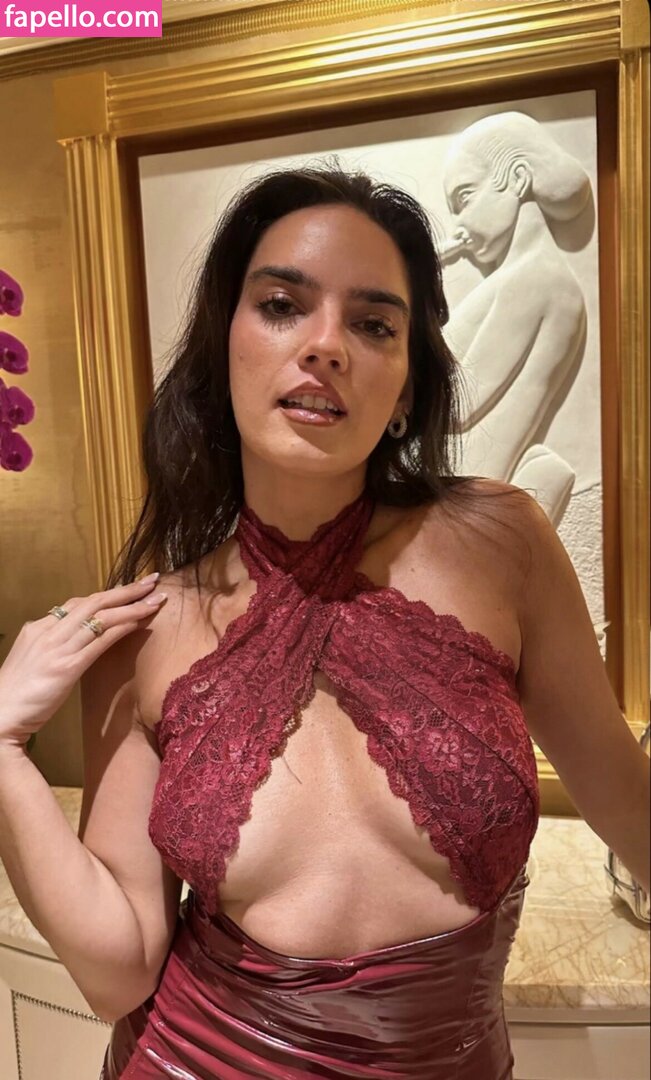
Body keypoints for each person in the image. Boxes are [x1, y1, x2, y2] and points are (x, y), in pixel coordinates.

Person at [0, 161, 648, 1080]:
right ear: (223, 344)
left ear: (406, 385)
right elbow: (118, 971)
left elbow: (631, 810)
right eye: (281, 306)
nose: (326, 345)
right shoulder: (143, 630)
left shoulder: (502, 543)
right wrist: (1, 746)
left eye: (373, 324)